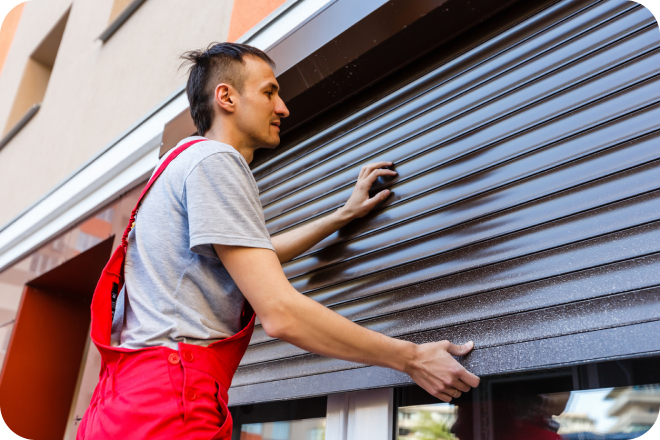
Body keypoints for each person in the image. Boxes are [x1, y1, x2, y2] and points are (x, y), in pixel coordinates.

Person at [77, 42, 479, 439]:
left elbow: (255, 254)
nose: (283, 107)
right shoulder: (216, 160)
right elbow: (280, 313)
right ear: (226, 97)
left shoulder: (177, 165)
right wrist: (411, 359)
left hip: (121, 405)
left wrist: (342, 215)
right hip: (169, 405)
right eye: (269, 91)